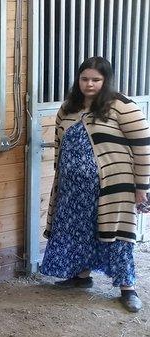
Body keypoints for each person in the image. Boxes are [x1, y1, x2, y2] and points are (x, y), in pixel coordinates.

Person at [41, 56, 149, 313]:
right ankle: (81, 276)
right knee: (78, 232)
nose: (89, 84)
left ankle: (127, 288)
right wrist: (60, 179)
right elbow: (60, 146)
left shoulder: (122, 107)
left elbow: (143, 148)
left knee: (117, 235)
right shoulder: (68, 108)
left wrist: (142, 187)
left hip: (112, 188)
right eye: (84, 79)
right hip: (73, 189)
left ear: (106, 80)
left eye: (96, 80)